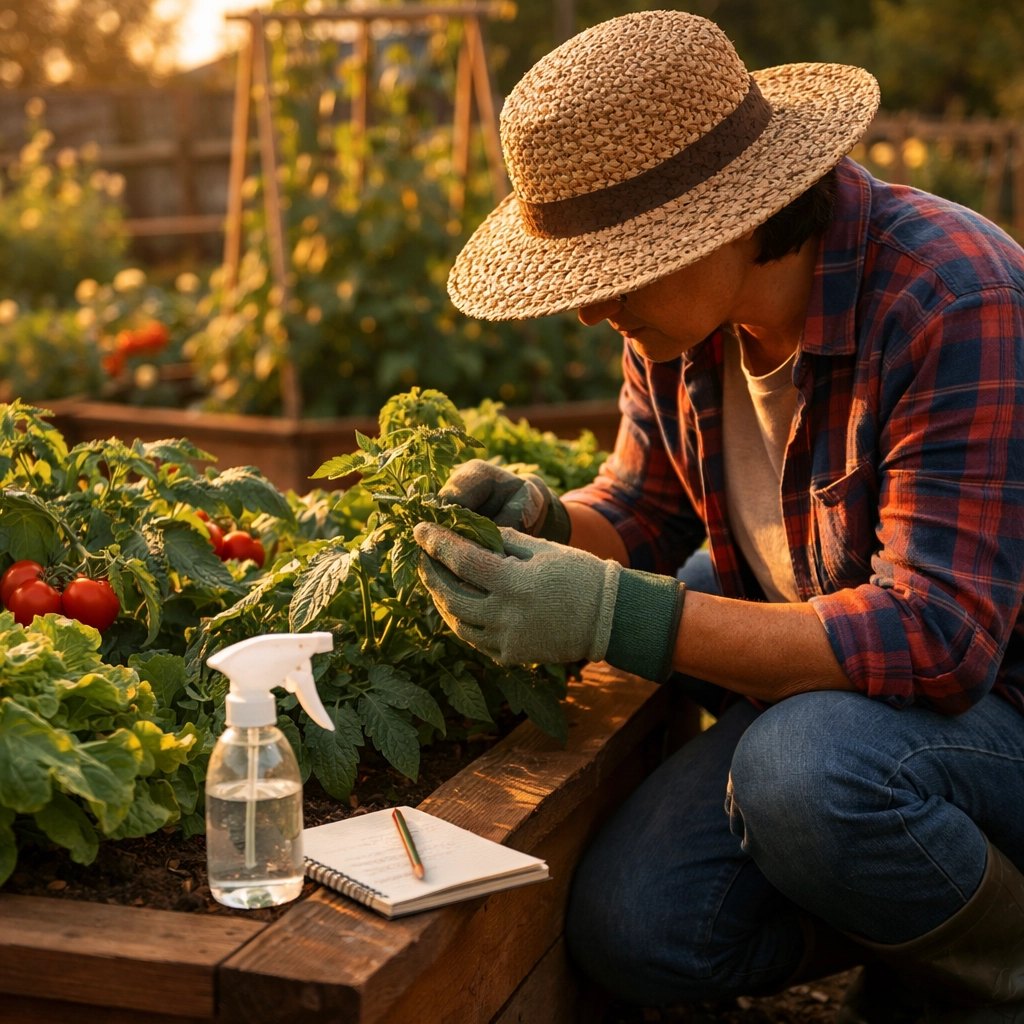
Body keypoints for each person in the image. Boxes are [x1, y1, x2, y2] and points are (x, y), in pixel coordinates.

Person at [411, 10, 1024, 1022]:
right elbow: (640, 508)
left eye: (614, 267)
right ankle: (909, 923)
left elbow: (937, 636)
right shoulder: (677, 327)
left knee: (800, 771)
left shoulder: (952, 298)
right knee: (637, 930)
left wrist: (612, 615)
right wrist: (538, 521)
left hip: (993, 712)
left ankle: (997, 971)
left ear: (732, 215)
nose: (587, 309)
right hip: (861, 712)